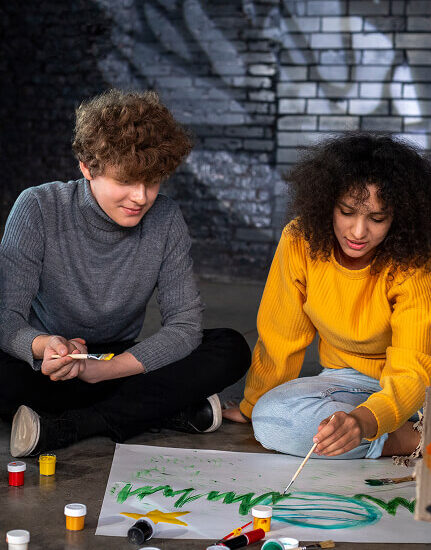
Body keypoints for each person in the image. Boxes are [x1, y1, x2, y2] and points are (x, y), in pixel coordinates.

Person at [0, 89, 251, 458]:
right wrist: (45, 345)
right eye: (126, 181)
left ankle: (74, 425)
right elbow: (6, 319)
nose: (141, 197)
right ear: (87, 167)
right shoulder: (38, 207)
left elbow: (184, 326)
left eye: (152, 181)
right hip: (53, 365)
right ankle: (163, 409)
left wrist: (106, 370)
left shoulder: (165, 218)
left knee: (230, 348)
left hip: (118, 363)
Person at [224, 132, 431, 460]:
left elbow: (413, 369)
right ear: (327, 205)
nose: (358, 231)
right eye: (347, 212)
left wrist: (365, 420)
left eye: (377, 218)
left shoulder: (416, 261)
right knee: (272, 419)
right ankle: (413, 436)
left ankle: (401, 427)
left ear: (398, 218)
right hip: (348, 376)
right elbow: (281, 335)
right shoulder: (299, 240)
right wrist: (253, 405)